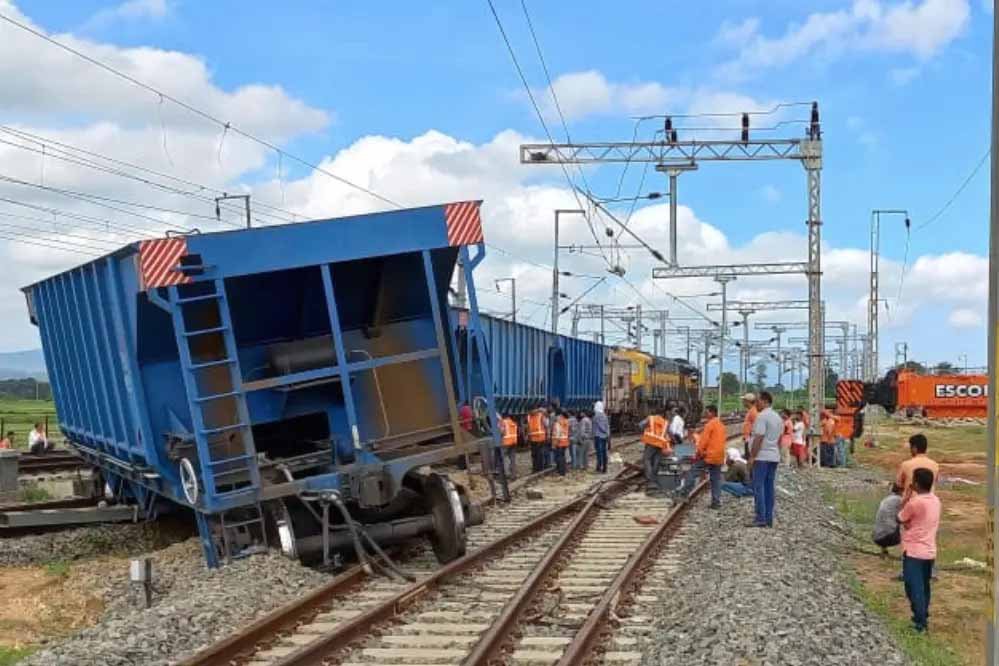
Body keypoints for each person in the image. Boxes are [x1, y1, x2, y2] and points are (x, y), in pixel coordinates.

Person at [898, 468, 941, 633]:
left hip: (914, 551)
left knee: (912, 587)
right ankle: (922, 615)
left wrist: (907, 496)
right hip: (929, 551)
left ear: (915, 483)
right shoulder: (936, 501)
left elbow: (900, 517)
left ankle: (920, 623)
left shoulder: (915, 503)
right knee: (924, 586)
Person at [676, 404, 725, 508]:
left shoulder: (710, 424)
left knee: (692, 473)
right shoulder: (721, 424)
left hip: (709, 456)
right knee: (716, 480)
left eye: (707, 412)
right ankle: (716, 502)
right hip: (719, 457)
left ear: (712, 413)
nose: (705, 414)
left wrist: (699, 454)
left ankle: (682, 494)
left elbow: (703, 442)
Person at [748, 391, 782, 527]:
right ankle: (768, 518)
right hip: (774, 456)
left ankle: (760, 518)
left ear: (765, 401)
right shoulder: (777, 417)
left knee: (758, 486)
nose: (756, 404)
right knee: (769, 487)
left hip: (762, 457)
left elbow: (759, 437)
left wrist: (752, 456)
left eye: (758, 401)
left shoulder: (762, 417)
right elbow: (779, 438)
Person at [638, 409, 671, 493]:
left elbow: (640, 425)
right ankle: (655, 480)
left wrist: (646, 430)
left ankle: (651, 481)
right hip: (660, 444)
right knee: (656, 461)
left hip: (651, 442)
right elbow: (667, 434)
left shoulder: (651, 418)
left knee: (647, 459)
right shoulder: (666, 422)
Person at [872, 483, 903, 553]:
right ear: (901, 491)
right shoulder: (900, 500)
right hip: (888, 537)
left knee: (889, 520)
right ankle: (907, 554)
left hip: (876, 537)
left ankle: (883, 549)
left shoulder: (886, 499)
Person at [527, 407, 548, 473]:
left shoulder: (540, 415)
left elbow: (546, 425)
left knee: (538, 454)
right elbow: (528, 428)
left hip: (539, 438)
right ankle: (536, 468)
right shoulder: (529, 416)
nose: (530, 412)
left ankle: (539, 468)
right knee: (535, 455)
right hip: (534, 439)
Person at [500, 413, 519, 480]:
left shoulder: (503, 422)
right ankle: (514, 475)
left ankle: (507, 474)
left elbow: (502, 432)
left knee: (504, 458)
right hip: (513, 442)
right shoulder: (513, 422)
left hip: (506, 442)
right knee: (513, 459)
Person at [592, 401, 609, 473]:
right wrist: (607, 433)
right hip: (604, 436)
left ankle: (599, 467)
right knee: (604, 452)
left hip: (598, 436)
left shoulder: (596, 416)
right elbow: (607, 426)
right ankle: (605, 467)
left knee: (599, 453)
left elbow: (597, 427)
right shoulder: (605, 416)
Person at [741, 393, 758, 459]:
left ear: (748, 401)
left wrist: (750, 436)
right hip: (748, 438)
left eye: (744, 400)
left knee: (749, 458)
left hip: (750, 439)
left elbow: (756, 426)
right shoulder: (751, 410)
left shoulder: (753, 411)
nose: (743, 402)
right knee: (747, 457)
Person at [552, 411, 570, 476]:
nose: (556, 417)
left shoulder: (558, 423)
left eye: (556, 416)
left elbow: (557, 434)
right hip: (565, 442)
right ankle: (563, 470)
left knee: (559, 458)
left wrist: (554, 444)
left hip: (559, 442)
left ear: (560, 416)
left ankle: (561, 472)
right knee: (563, 457)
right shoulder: (566, 421)